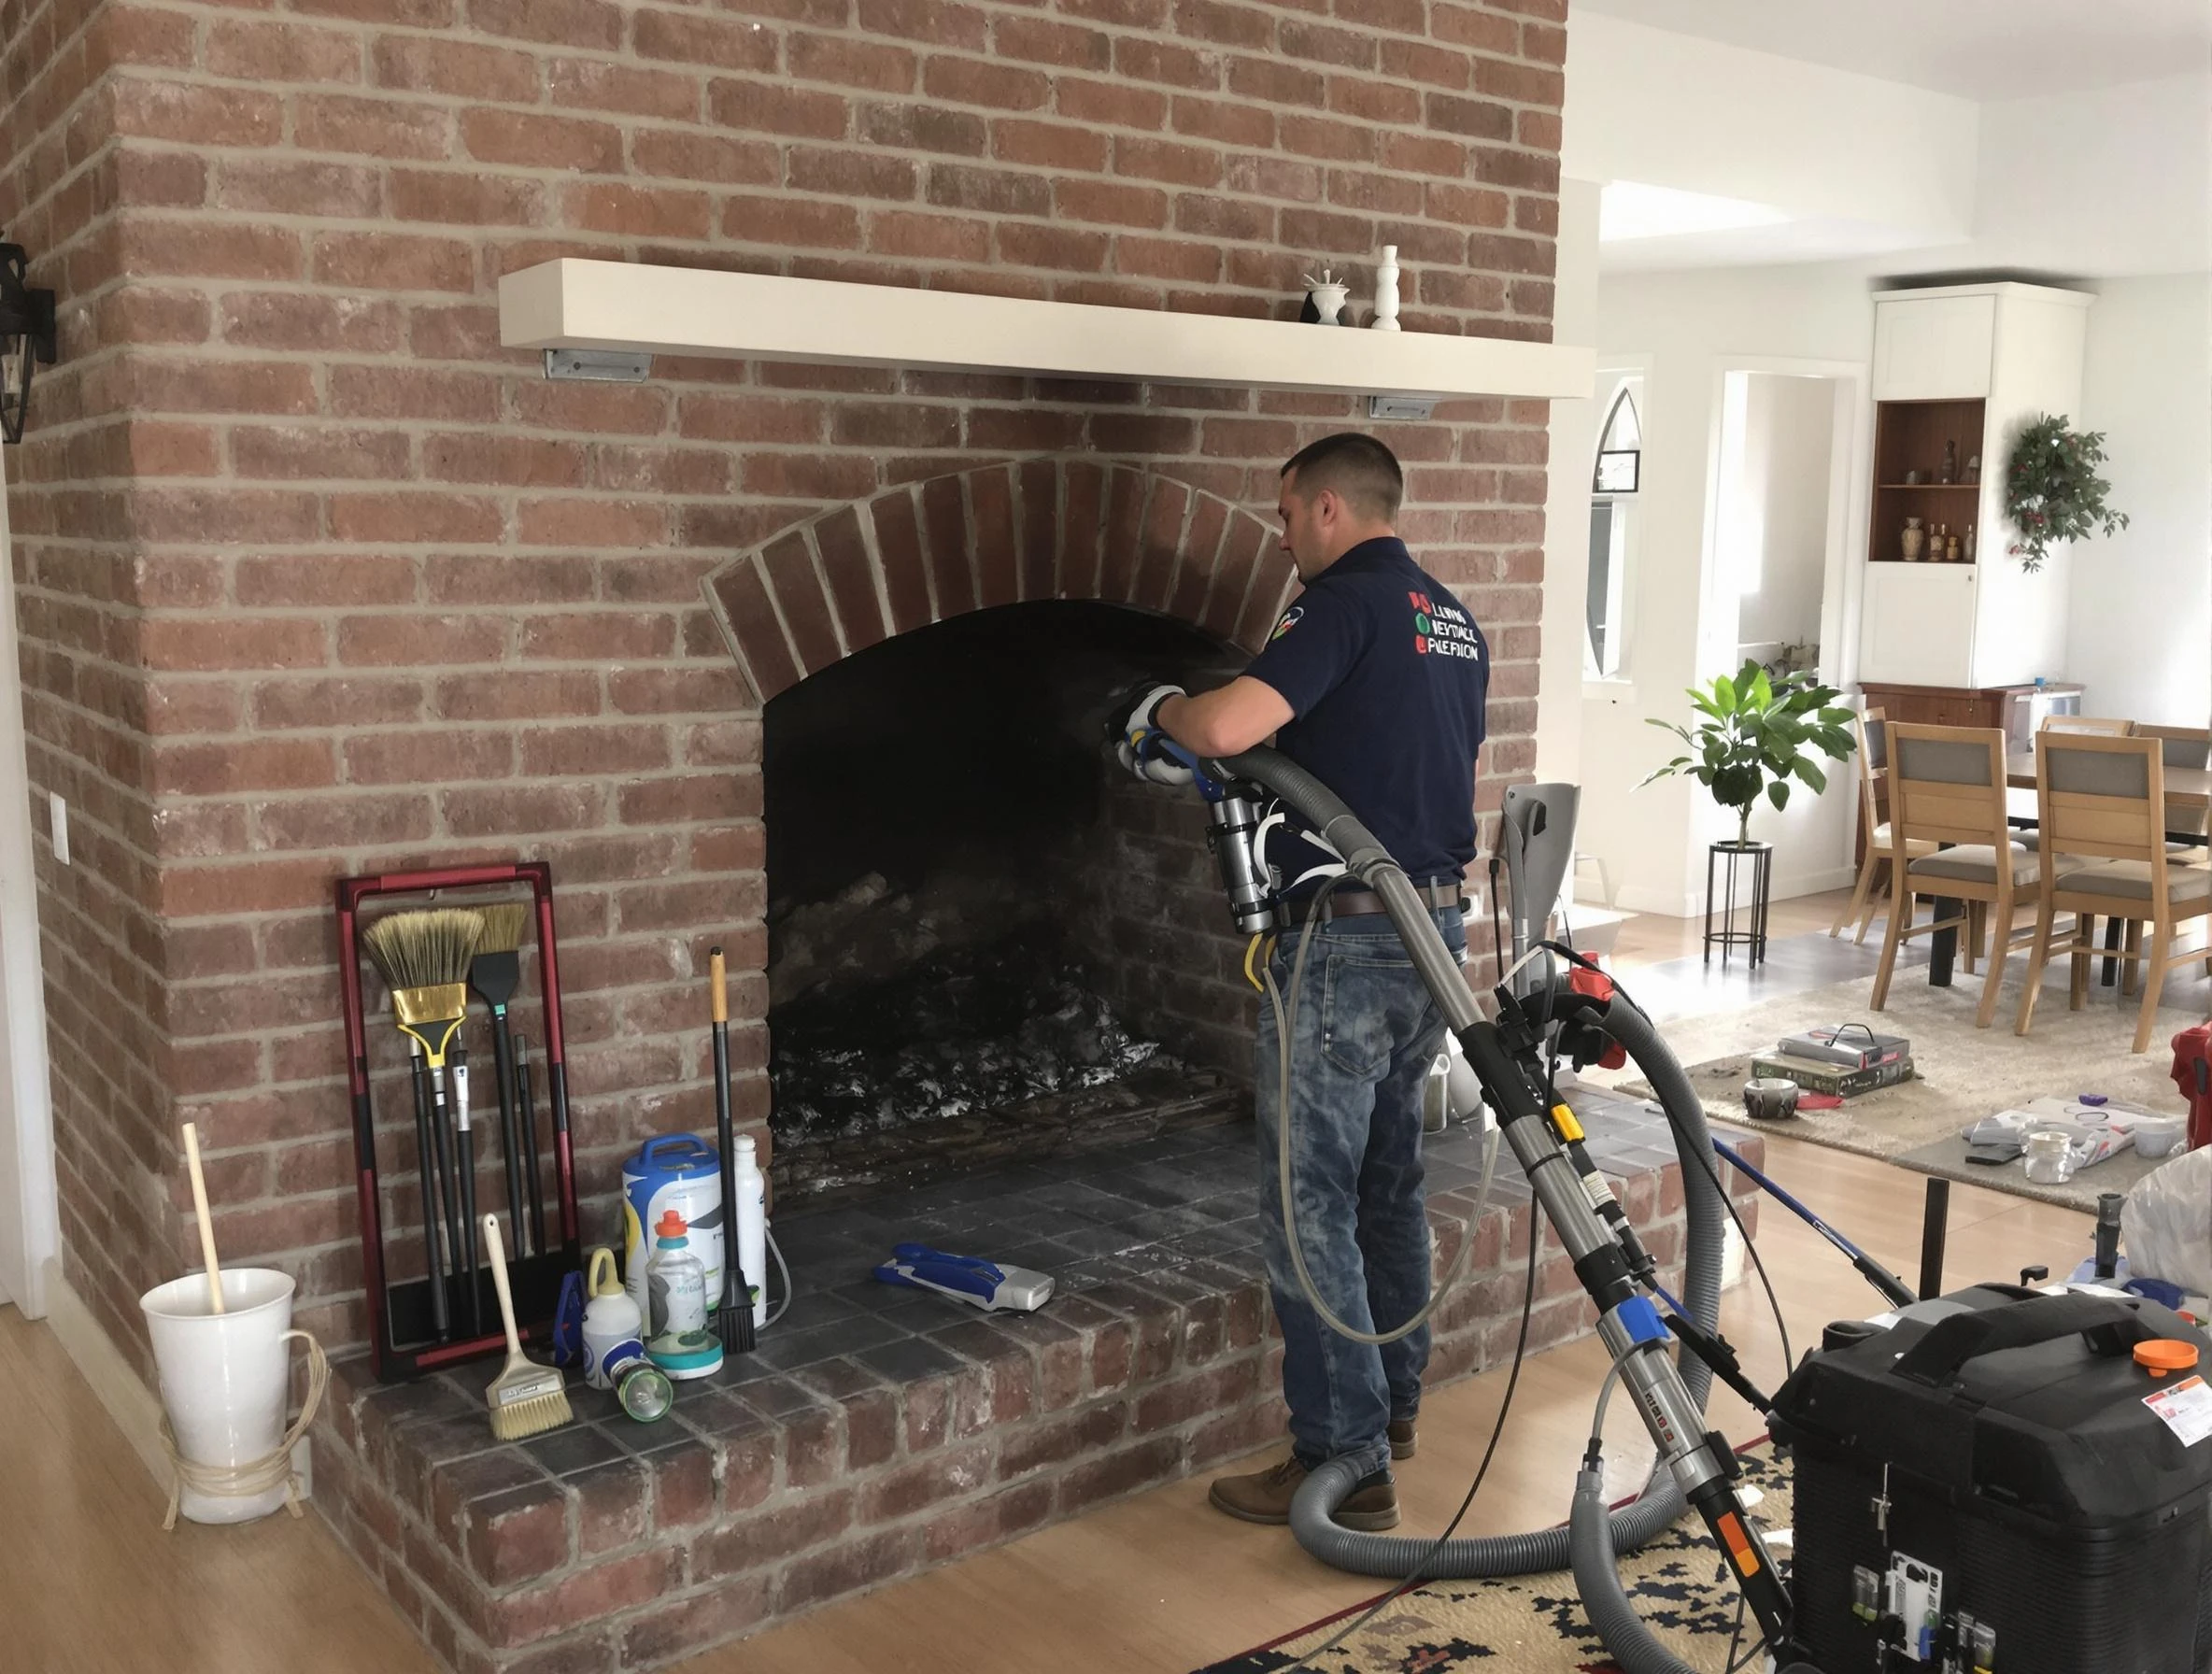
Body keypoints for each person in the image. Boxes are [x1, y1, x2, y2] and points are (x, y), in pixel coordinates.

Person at [1116, 433, 1489, 1531]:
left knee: (1306, 1197)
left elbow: (1231, 725)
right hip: (1429, 932)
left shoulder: (1341, 602)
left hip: (1342, 938)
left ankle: (1342, 1461)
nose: (1280, 540)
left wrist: (1165, 710)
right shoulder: (1450, 616)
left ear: (1328, 509)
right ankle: (1393, 1412)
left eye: (1283, 517)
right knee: (1387, 1179)